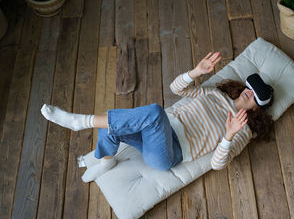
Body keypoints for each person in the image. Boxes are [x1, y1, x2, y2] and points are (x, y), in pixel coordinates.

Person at [41, 52, 274, 182]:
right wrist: (196, 72)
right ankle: (107, 162)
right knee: (116, 121)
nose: (250, 92)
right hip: (156, 133)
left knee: (154, 112)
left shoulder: (242, 130)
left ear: (257, 110)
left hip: (170, 152)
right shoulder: (214, 93)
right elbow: (176, 89)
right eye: (251, 87)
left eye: (256, 96)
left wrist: (228, 135)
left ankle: (79, 122)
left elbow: (217, 164)